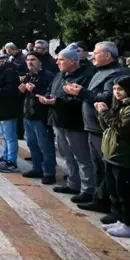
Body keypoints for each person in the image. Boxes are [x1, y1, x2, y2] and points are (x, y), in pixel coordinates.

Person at [64, 41, 130, 213]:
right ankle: (100, 199)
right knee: (99, 168)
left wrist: (80, 92)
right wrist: (80, 90)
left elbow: (106, 97)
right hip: (93, 126)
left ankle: (114, 206)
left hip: (104, 128)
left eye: (96, 52)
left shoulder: (116, 73)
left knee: (108, 169)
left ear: (107, 55)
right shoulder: (100, 71)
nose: (92, 56)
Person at [39, 46, 94, 201]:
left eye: (61, 59)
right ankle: (73, 183)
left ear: (72, 61)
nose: (57, 62)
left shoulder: (85, 76)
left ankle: (88, 189)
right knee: (66, 155)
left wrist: (59, 100)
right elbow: (51, 89)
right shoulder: (60, 75)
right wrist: (48, 97)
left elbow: (82, 99)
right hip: (58, 119)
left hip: (74, 122)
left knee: (81, 157)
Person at [95, 76, 130, 238]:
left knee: (124, 191)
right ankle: (120, 218)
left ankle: (129, 223)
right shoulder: (120, 105)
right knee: (114, 190)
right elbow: (108, 127)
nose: (116, 93)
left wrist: (105, 112)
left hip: (123, 155)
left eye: (120, 89)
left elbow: (122, 129)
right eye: (114, 89)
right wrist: (102, 114)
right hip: (111, 153)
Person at [20, 51, 56, 184]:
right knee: (32, 144)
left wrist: (36, 89)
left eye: (33, 60)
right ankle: (37, 168)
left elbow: (50, 94)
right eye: (28, 60)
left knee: (45, 145)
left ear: (40, 61)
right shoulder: (29, 76)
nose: (29, 62)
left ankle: (49, 172)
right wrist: (22, 90)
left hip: (41, 117)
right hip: (28, 115)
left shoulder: (48, 76)